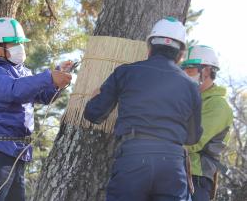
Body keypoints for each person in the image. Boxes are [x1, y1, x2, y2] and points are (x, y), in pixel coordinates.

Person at [84, 17, 203, 201]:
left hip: (133, 158)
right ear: (180, 55)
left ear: (149, 48)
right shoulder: (191, 87)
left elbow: (94, 114)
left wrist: (94, 99)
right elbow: (193, 136)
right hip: (172, 165)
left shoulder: (126, 72)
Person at [0, 17, 72, 201]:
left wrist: (57, 79)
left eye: (20, 43)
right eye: (14, 43)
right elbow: (13, 91)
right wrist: (49, 77)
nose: (20, 47)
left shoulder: (22, 71)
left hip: (18, 155)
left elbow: (44, 96)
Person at [181, 45, 233, 201]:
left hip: (196, 177)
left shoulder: (218, 105)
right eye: (183, 69)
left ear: (207, 70)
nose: (185, 74)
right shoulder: (188, 99)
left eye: (190, 69)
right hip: (173, 169)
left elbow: (193, 141)